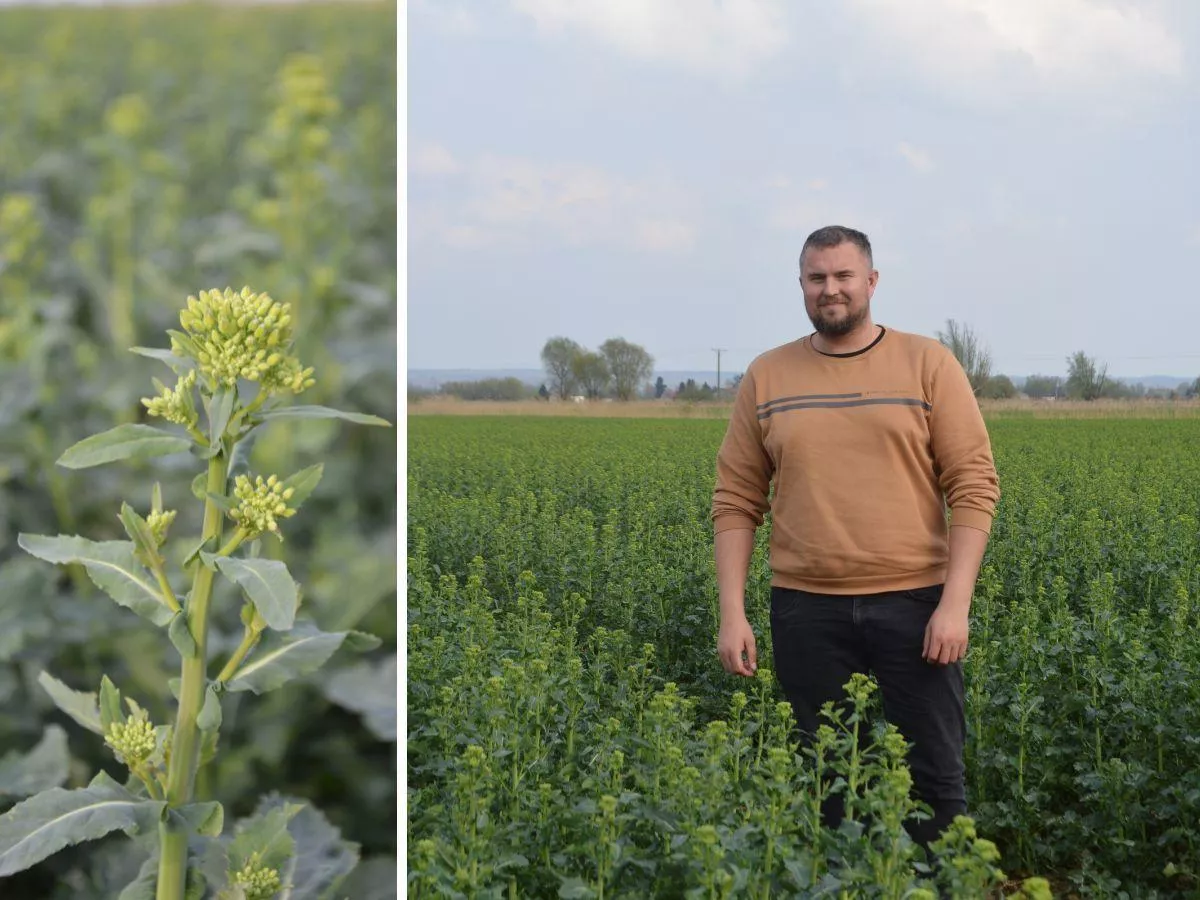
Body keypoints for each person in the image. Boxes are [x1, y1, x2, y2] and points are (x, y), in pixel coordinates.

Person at [710, 224, 1000, 848]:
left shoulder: (928, 363)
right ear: (801, 285)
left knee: (935, 780)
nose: (831, 289)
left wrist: (955, 605)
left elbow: (974, 486)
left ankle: (937, 885)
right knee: (827, 781)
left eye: (844, 276)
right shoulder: (767, 375)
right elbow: (735, 499)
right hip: (805, 610)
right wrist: (732, 613)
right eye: (817, 278)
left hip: (916, 605)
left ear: (871, 281)